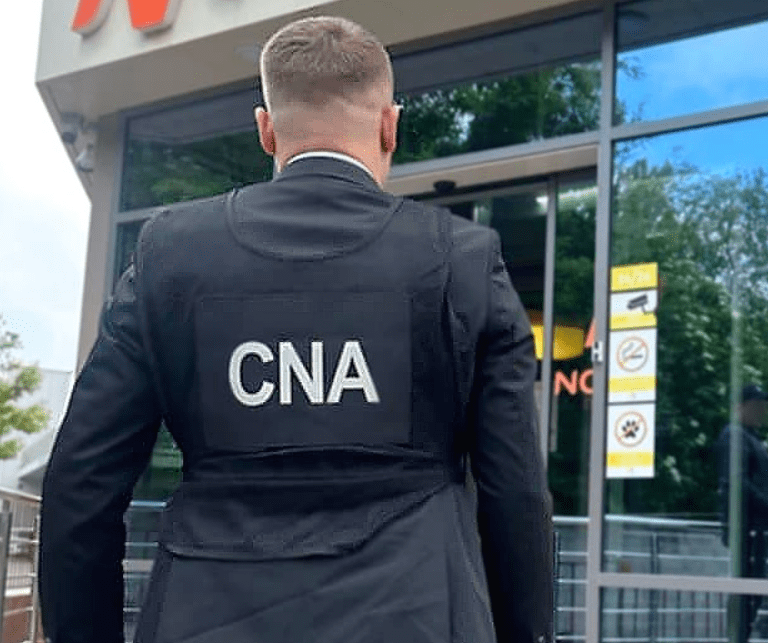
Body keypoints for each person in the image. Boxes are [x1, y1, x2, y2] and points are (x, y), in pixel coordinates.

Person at [38, 16, 554, 643]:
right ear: (389, 125)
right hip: (417, 614)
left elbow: (81, 484)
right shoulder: (462, 261)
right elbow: (515, 494)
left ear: (266, 129)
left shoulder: (171, 257)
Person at [715, 383, 768, 642]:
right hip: (749, 529)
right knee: (747, 593)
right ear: (740, 408)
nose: (763, 411)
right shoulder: (735, 436)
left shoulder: (748, 437)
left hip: (756, 528)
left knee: (752, 594)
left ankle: (740, 637)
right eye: (757, 405)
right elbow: (735, 481)